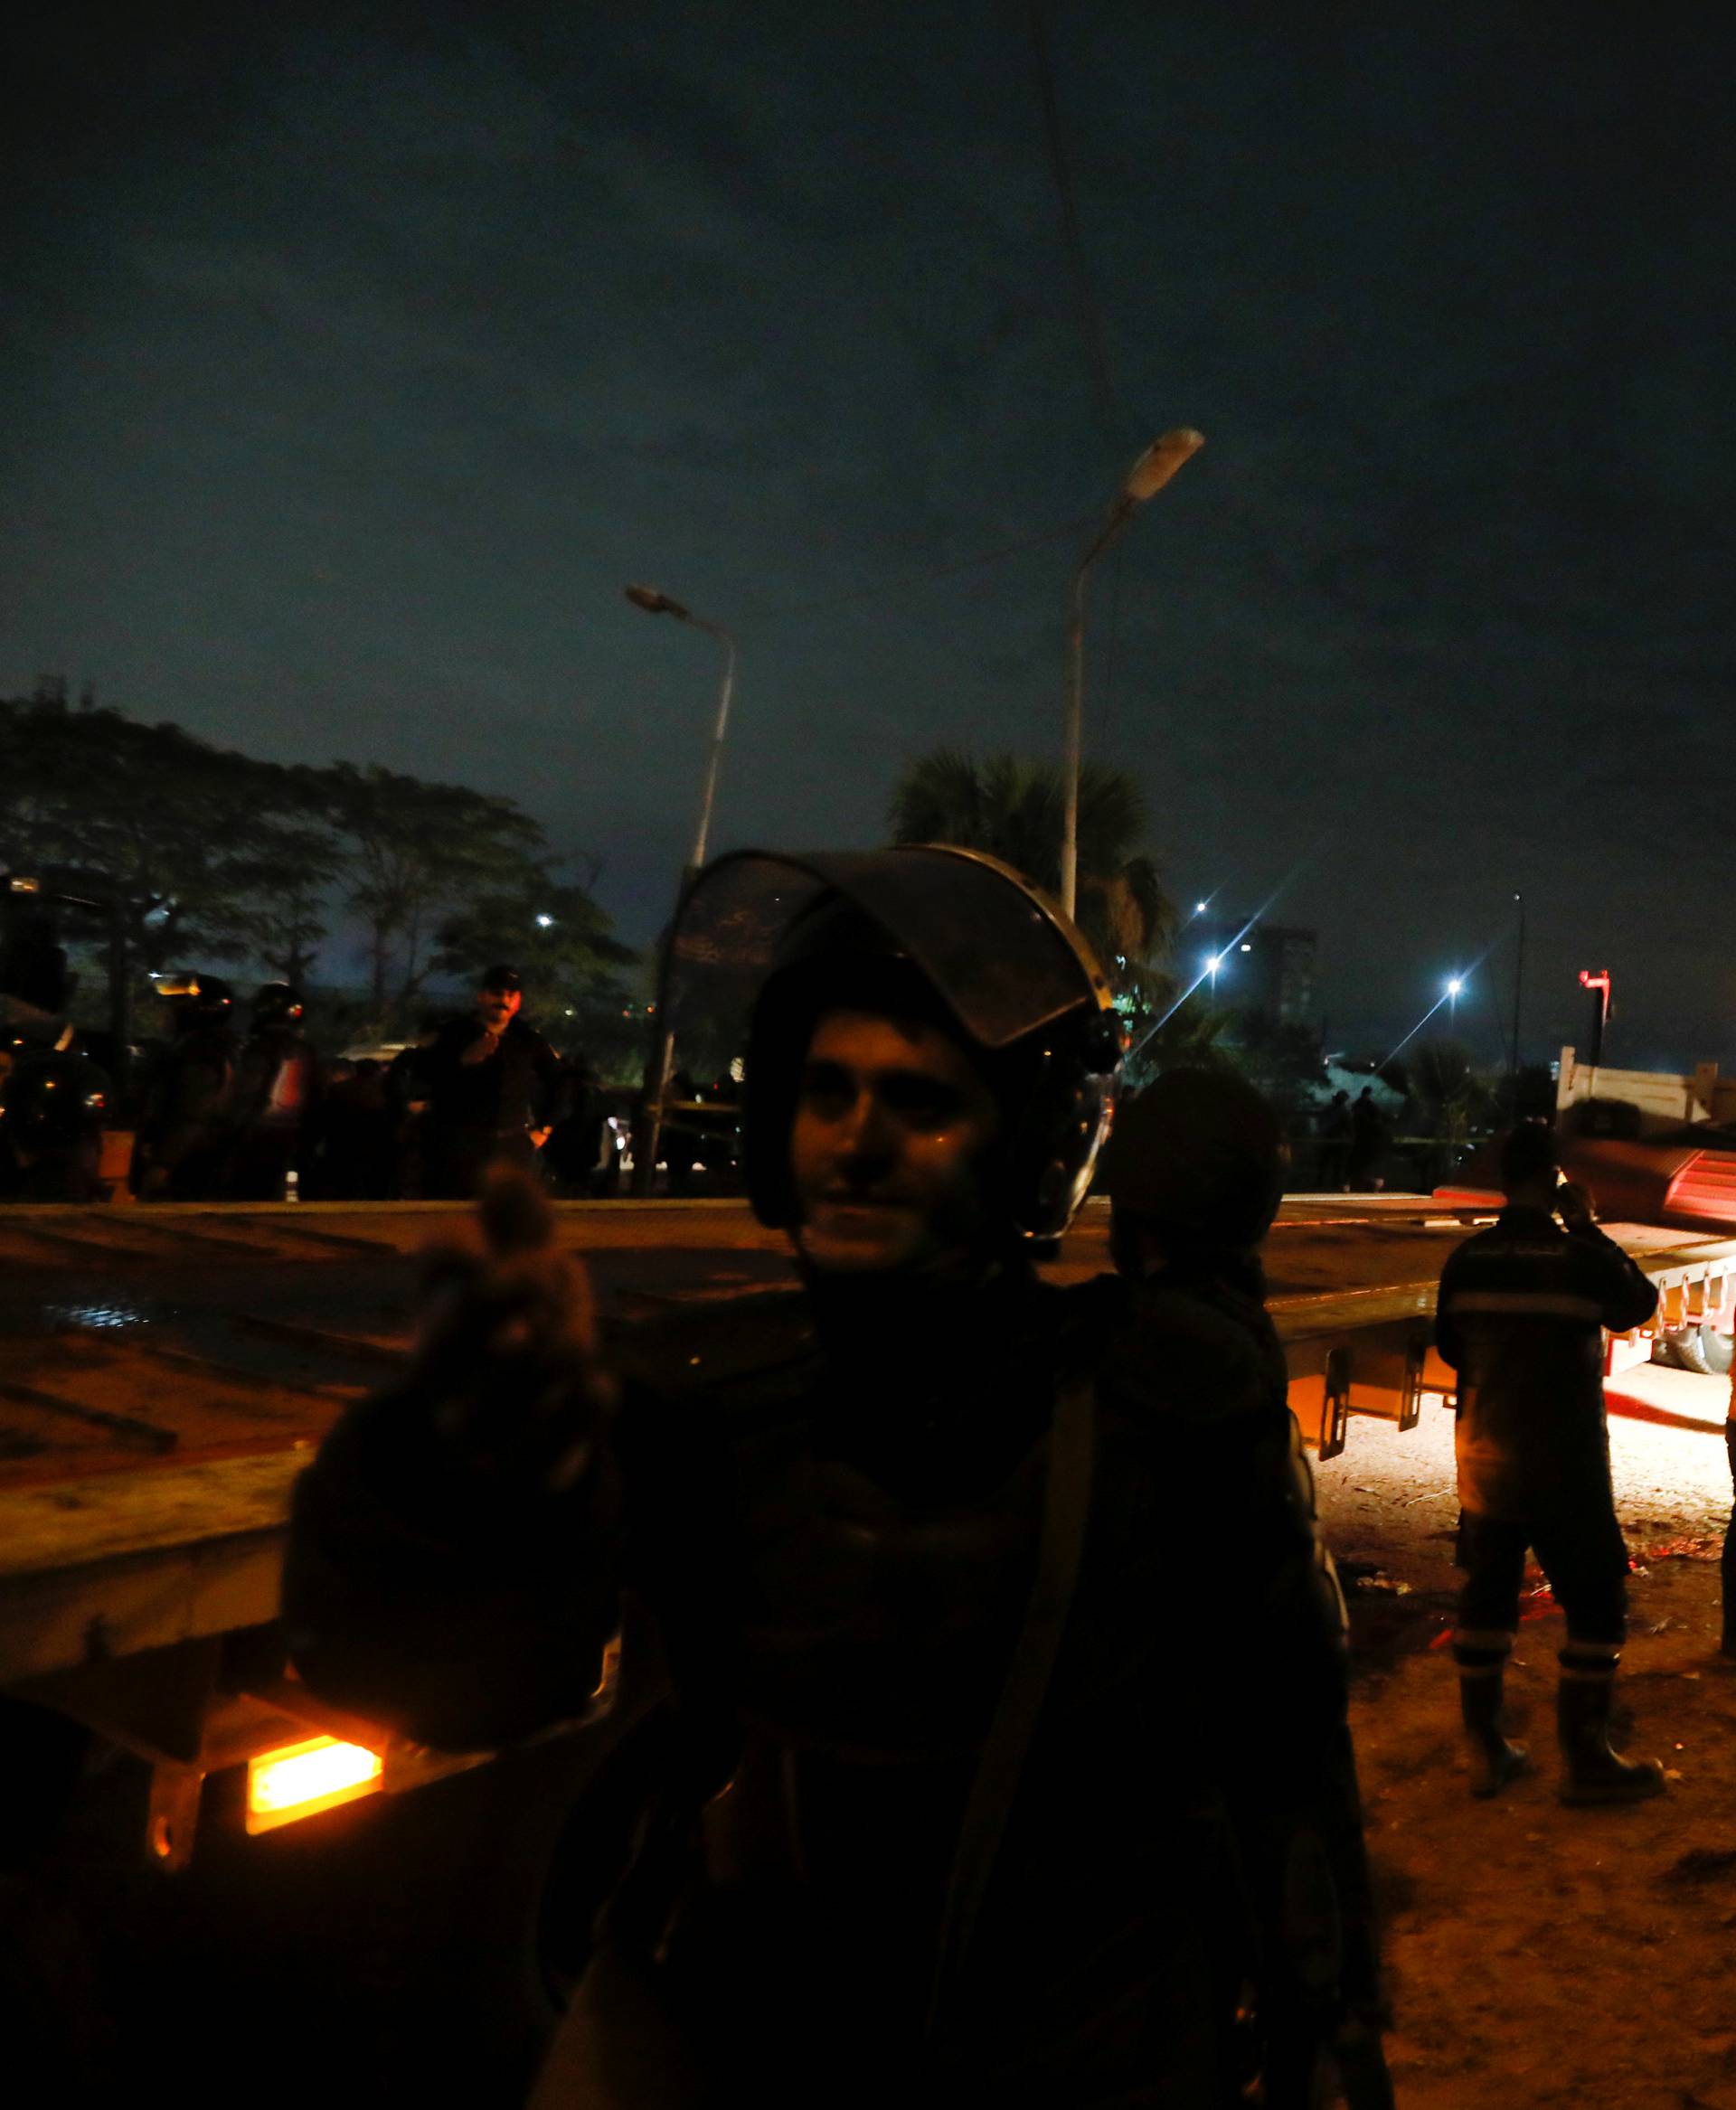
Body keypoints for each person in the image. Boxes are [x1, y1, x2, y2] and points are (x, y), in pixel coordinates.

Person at [282, 845, 1379, 2106]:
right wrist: (422, 1495)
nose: (857, 1141)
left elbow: (1284, 1748)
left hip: (1077, 2041)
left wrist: (1329, 2025)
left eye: (920, 1102)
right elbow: (476, 1680)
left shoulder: (1167, 1401)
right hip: (753, 2039)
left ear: (1025, 1143)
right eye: (828, 1090)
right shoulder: (694, 1393)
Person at [1093, 1069, 1391, 2108]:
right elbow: (1300, 1695)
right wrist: (1341, 1976)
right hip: (1204, 1843)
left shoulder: (1095, 1354)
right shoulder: (1229, 1370)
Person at [1436, 1117, 1664, 1804]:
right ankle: (1586, 1759)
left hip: (1486, 1462)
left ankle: (1487, 1753)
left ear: (1505, 1182)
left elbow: (1450, 1346)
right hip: (1566, 1465)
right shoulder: (1578, 1258)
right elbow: (1639, 1304)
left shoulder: (1468, 1260)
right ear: (1554, 1179)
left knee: (1486, 1601)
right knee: (1596, 1604)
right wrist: (1586, 1225)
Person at [419, 967, 566, 1200]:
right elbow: (426, 1078)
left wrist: (545, 1128)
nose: (504, 1001)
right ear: (481, 996)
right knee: (458, 1215)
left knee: (507, 1217)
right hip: (460, 1146)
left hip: (512, 1146)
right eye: (497, 993)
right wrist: (464, 1060)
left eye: (512, 995)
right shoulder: (454, 1034)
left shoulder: (528, 1039)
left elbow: (561, 1084)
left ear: (518, 1001)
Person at [129, 974, 238, 1201]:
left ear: (195, 1010)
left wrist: (162, 1165)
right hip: (193, 1166)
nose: (165, 1010)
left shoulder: (198, 1055)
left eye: (174, 1004)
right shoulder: (208, 1049)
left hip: (183, 1172)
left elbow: (191, 1116)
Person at [222, 982, 322, 1200]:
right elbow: (316, 1096)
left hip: (253, 1136)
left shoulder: (257, 1049)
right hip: (291, 1135)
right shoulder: (306, 1051)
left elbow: (246, 1095)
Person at [1347, 1086, 1386, 1192]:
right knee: (1366, 1165)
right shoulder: (1369, 1105)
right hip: (1367, 1140)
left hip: (1360, 1138)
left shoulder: (1358, 1105)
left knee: (1357, 1163)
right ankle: (1369, 1184)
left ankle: (1354, 1183)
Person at [1318, 1088, 1353, 1191]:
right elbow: (1349, 1127)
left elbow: (1321, 1123)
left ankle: (1321, 1183)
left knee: (1325, 1163)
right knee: (1337, 1164)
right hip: (1338, 1141)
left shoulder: (1328, 1110)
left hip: (1328, 1140)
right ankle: (1334, 1184)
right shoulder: (1344, 1112)